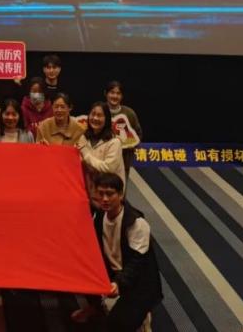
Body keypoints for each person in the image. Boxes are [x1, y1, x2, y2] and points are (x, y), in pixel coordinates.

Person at [71, 173, 163, 330]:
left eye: (110, 194)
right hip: (112, 273)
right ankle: (96, 306)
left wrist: (118, 283)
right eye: (101, 194)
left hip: (137, 281)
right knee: (80, 273)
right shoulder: (99, 215)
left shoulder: (136, 223)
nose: (105, 199)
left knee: (116, 325)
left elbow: (136, 263)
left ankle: (143, 317)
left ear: (120, 195)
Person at [76, 102, 125, 204]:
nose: (95, 118)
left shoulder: (114, 142)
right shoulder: (83, 138)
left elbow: (108, 168)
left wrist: (86, 155)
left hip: (108, 197)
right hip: (87, 195)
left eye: (99, 115)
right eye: (93, 114)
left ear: (106, 119)